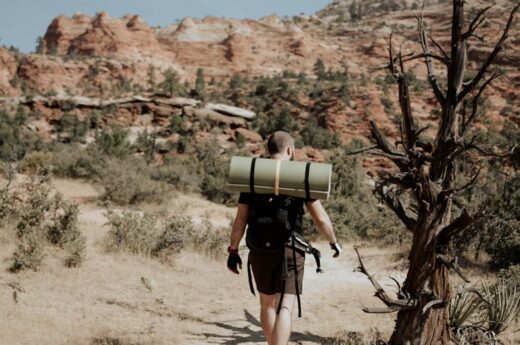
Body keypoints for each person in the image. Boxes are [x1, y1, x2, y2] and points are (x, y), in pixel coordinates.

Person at [227, 131, 342, 345]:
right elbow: (321, 219)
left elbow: (240, 219)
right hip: (290, 248)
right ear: (290, 150)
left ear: (269, 151)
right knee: (286, 306)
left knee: (266, 305)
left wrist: (233, 251)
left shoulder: (253, 175)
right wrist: (334, 243)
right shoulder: (299, 176)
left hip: (259, 248)